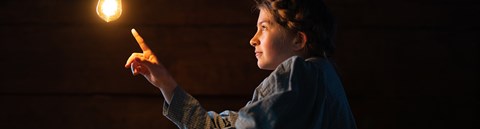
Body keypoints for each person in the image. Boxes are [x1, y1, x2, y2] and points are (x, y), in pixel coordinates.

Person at [125, 0, 357, 128]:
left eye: (264, 28)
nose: (252, 38)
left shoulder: (297, 73)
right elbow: (216, 126)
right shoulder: (325, 78)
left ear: (298, 39)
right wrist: (165, 83)